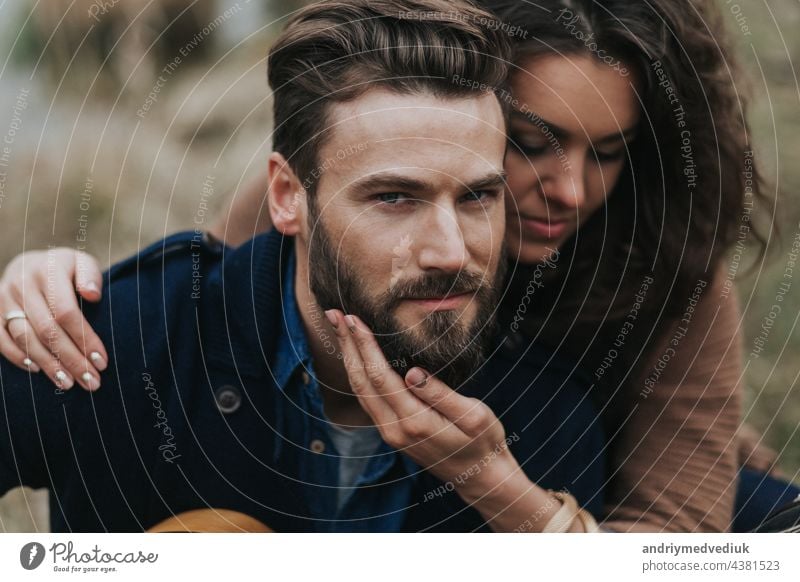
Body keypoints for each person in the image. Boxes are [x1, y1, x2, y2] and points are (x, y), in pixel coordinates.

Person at [2, 0, 798, 532]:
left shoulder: (642, 306)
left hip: (636, 483)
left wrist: (505, 491)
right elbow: (207, 298)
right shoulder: (321, 182)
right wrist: (59, 286)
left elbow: (671, 533)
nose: (568, 188)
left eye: (610, 154)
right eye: (534, 142)